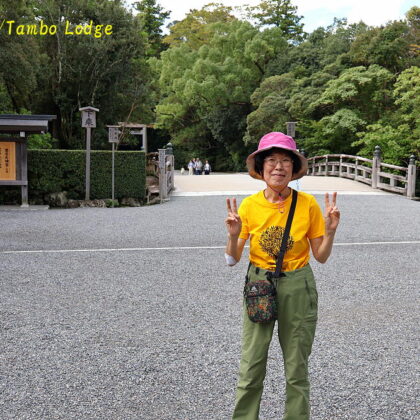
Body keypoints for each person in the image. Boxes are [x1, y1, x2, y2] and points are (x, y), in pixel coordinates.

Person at [225, 132, 340, 420]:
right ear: (262, 168)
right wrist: (234, 236)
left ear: (293, 167)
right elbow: (232, 259)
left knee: (296, 367)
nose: (279, 167)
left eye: (285, 161)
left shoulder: (308, 204)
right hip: (259, 283)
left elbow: (321, 256)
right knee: (251, 364)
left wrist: (331, 229)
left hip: (297, 283)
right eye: (272, 161)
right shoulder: (250, 205)